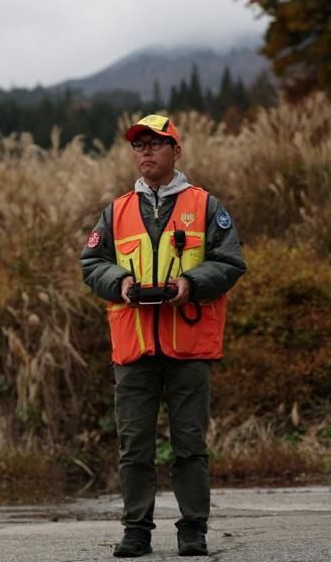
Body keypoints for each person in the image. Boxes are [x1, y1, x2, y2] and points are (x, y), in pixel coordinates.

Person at [80, 115, 246, 557]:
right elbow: (90, 264)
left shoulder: (206, 205)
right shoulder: (116, 211)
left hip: (187, 346)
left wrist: (191, 284)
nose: (146, 152)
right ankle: (136, 530)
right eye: (139, 145)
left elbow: (230, 263)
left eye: (156, 144)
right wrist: (121, 283)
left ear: (176, 151)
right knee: (134, 446)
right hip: (134, 347)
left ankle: (193, 529)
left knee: (190, 445)